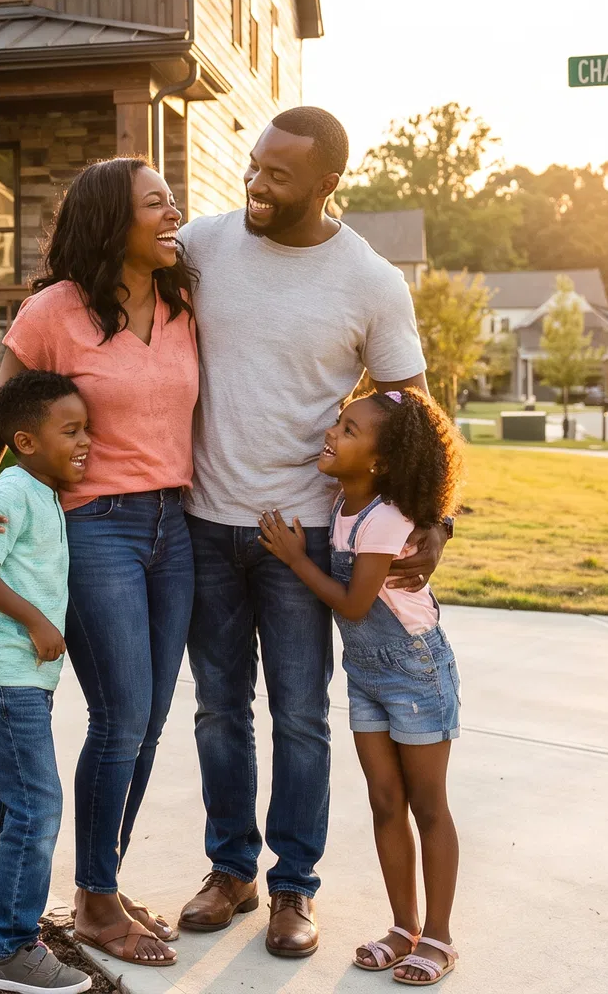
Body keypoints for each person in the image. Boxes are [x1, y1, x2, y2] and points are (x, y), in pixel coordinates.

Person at [176, 106, 448, 958]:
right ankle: (231, 871)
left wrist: (434, 516)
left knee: (300, 714)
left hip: (302, 541)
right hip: (203, 523)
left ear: (328, 183)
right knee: (221, 710)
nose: (256, 184)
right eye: (253, 167)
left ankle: (295, 887)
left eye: (277, 175)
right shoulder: (208, 244)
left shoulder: (369, 280)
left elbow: (414, 412)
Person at [0, 157, 198, 968]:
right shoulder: (52, 313)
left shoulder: (181, 300)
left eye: (174, 201)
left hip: (178, 525)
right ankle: (95, 904)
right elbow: (1, 412)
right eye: (156, 203)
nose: (175, 214)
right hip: (97, 528)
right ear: (111, 220)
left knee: (150, 720)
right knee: (121, 715)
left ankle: (103, 882)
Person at [258, 388, 464, 986]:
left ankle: (442, 936)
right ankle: (404, 927)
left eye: (349, 430)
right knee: (383, 802)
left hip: (415, 673)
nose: (333, 432)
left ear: (378, 462)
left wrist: (297, 560)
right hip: (368, 675)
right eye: (340, 423)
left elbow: (353, 604)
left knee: (427, 807)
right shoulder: (343, 504)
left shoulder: (386, 519)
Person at [0, 368, 95, 994]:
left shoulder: (38, 488)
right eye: (71, 430)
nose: (85, 441)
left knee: (1, 802)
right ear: (28, 440)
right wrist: (37, 621)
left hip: (4, 675)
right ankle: (10, 948)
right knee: (37, 806)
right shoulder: (12, 491)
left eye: (85, 428)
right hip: (5, 676)